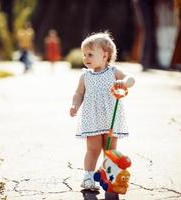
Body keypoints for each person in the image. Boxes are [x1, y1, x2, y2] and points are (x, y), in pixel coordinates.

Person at [69, 32, 135, 197]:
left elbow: (131, 79)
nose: (86, 58)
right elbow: (78, 94)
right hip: (92, 119)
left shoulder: (113, 71)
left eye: (90, 54)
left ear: (105, 56)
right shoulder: (85, 76)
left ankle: (111, 176)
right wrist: (74, 104)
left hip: (111, 118)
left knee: (110, 149)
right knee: (93, 149)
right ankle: (89, 177)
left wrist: (124, 82)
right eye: (84, 54)